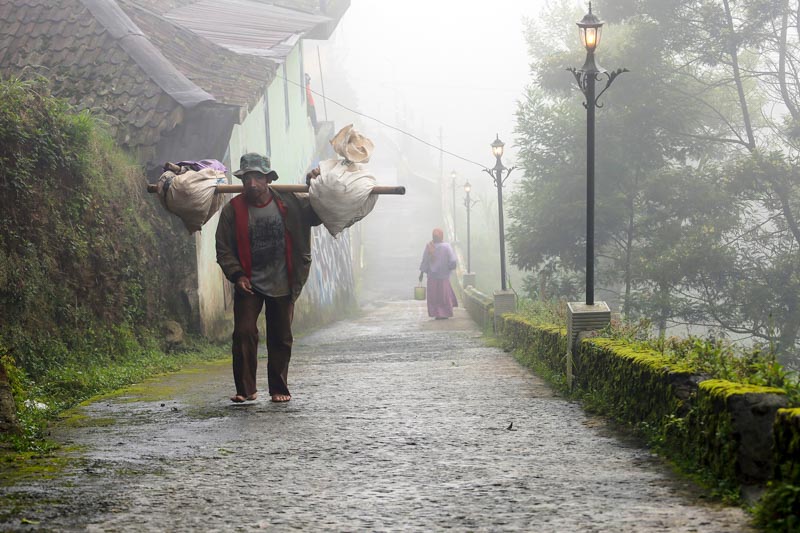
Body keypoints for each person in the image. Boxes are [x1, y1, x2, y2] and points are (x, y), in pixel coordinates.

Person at [216, 153, 321, 403]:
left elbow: (316, 215)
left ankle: (279, 388)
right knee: (243, 333)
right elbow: (223, 248)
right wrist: (237, 274)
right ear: (242, 181)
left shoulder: (290, 203)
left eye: (258, 177)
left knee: (281, 336)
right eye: (247, 178)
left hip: (284, 279)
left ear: (268, 179)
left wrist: (315, 184)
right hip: (249, 281)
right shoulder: (233, 211)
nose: (252, 184)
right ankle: (246, 389)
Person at [418, 228, 458, 319]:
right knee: (444, 295)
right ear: (441, 236)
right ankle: (445, 313)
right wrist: (450, 268)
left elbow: (425, 261)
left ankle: (437, 313)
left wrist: (421, 273)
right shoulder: (446, 246)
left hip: (432, 276)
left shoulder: (429, 246)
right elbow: (452, 260)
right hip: (443, 276)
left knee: (434, 296)